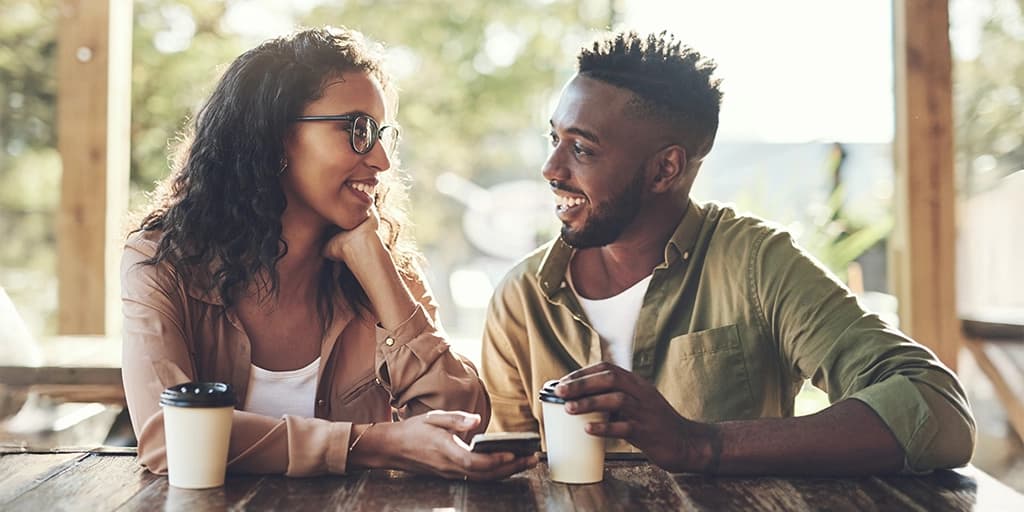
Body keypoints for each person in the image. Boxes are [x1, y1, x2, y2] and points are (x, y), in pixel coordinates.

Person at [481, 30, 975, 476]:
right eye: (555, 138)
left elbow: (936, 407)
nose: (551, 167)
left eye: (582, 149)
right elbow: (515, 475)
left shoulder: (758, 265)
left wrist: (702, 444)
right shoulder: (523, 298)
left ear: (664, 170)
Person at [121, 26, 536, 480]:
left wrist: (376, 265)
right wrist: (372, 444)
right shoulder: (164, 263)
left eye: (381, 134)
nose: (381, 159)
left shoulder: (384, 264)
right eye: (357, 130)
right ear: (275, 137)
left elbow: (461, 425)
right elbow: (171, 437)